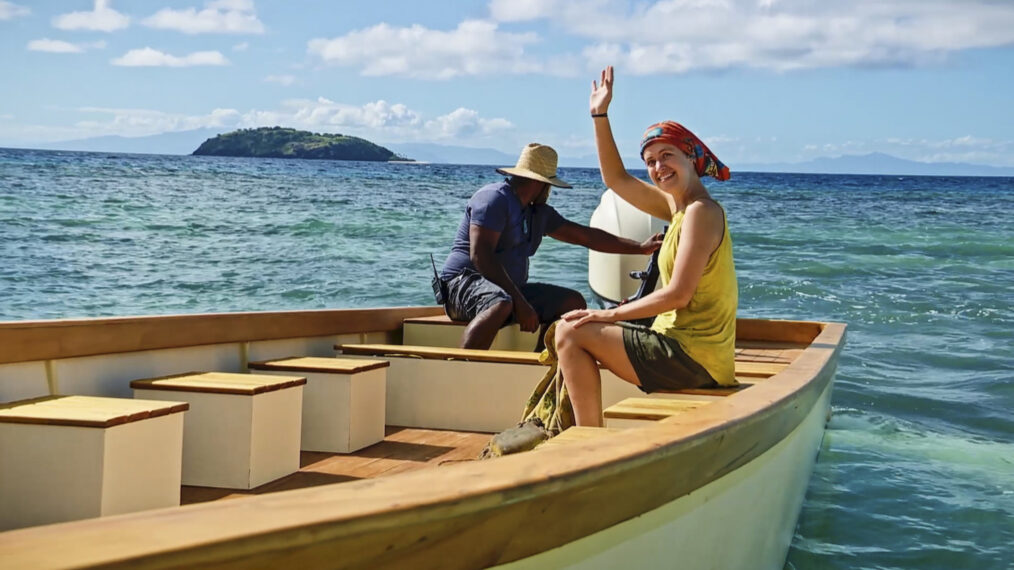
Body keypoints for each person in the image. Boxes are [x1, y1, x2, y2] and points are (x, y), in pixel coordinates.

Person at [555, 66, 738, 427]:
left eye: (667, 155)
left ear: (690, 157)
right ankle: (586, 435)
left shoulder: (701, 212)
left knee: (569, 332)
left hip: (693, 357)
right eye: (651, 162)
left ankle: (588, 441)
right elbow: (617, 179)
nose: (658, 167)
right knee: (570, 326)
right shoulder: (678, 207)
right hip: (681, 347)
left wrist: (606, 314)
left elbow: (677, 296)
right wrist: (599, 115)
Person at [438, 142, 663, 351]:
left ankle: (541, 359)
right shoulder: (493, 199)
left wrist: (641, 247)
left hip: (507, 292)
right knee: (500, 303)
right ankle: (465, 364)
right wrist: (520, 302)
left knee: (572, 302)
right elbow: (481, 255)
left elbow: (587, 236)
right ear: (539, 183)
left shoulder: (538, 213)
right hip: (461, 287)